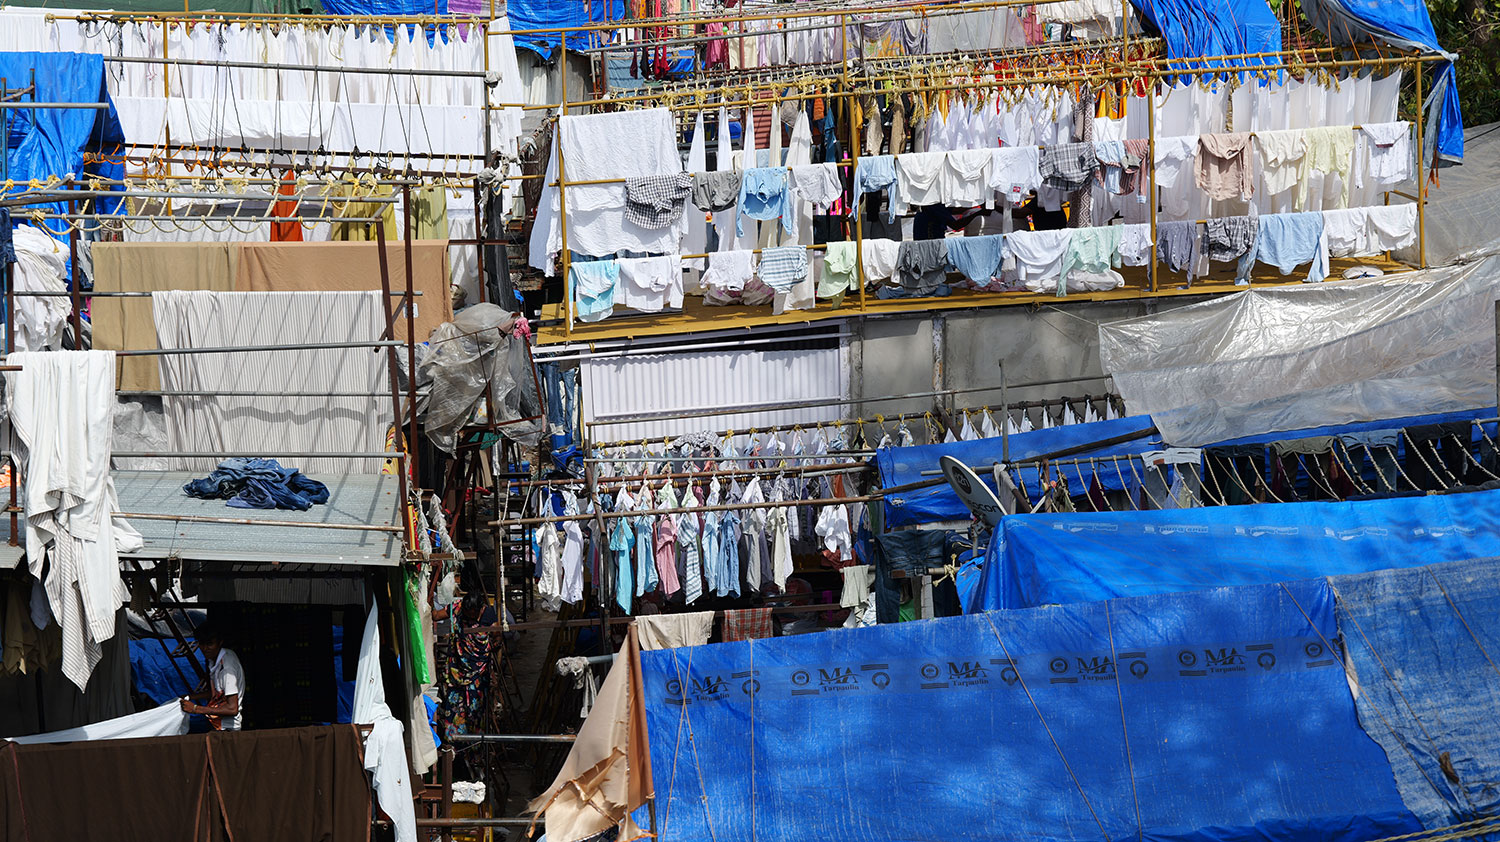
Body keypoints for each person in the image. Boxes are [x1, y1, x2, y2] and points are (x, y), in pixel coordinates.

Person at [440, 591, 497, 740]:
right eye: (468, 612)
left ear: (480, 609)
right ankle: (455, 746)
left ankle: (475, 748)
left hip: (479, 672)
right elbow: (435, 615)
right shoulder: (457, 609)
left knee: (476, 711)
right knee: (455, 707)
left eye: (474, 613)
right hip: (457, 671)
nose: (471, 616)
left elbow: (497, 637)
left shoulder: (489, 615)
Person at [181, 621, 246, 731]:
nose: (205, 648)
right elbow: (217, 692)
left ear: (220, 642)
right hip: (218, 725)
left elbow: (232, 709)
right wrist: (190, 697)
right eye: (201, 644)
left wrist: (196, 709)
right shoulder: (215, 660)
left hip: (228, 728)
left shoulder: (226, 669)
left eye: (210, 644)